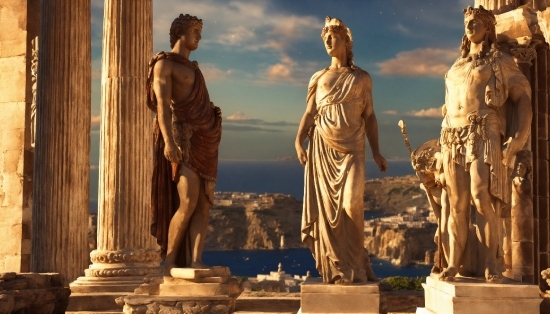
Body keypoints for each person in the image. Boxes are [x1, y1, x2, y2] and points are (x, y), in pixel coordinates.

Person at [438, 6, 531, 282]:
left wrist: (517, 141)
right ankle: (454, 263)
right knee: (456, 204)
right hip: (452, 137)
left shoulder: (500, 61)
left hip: (482, 132)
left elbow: (523, 98)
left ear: (488, 28)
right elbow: (447, 109)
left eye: (476, 21)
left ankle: (492, 262)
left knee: (482, 199)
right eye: (467, 21)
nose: (470, 25)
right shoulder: (457, 65)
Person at [295, 16, 387, 285]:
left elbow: (369, 116)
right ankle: (339, 269)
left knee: (351, 206)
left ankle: (358, 262)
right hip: (322, 148)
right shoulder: (319, 77)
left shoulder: (362, 78)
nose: (327, 41)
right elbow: (310, 112)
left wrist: (377, 152)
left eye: (333, 36)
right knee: (328, 213)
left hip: (353, 148)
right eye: (324, 37)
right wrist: (298, 140)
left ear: (346, 42)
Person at [147, 14, 222, 276]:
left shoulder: (195, 69)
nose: (198, 36)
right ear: (180, 32)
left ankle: (196, 260)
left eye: (200, 31)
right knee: (188, 200)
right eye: (194, 30)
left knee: (204, 204)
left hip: (205, 139)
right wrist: (168, 141)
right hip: (181, 136)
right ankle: (169, 263)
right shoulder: (164, 64)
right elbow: (162, 106)